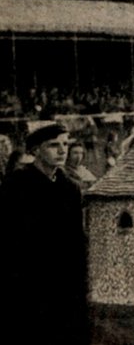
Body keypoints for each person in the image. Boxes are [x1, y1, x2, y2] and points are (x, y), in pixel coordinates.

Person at [0, 123, 89, 343]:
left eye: (65, 144)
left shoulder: (71, 188)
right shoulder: (15, 185)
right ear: (35, 150)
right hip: (26, 284)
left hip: (64, 284)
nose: (62, 151)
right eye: (53, 145)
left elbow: (77, 239)